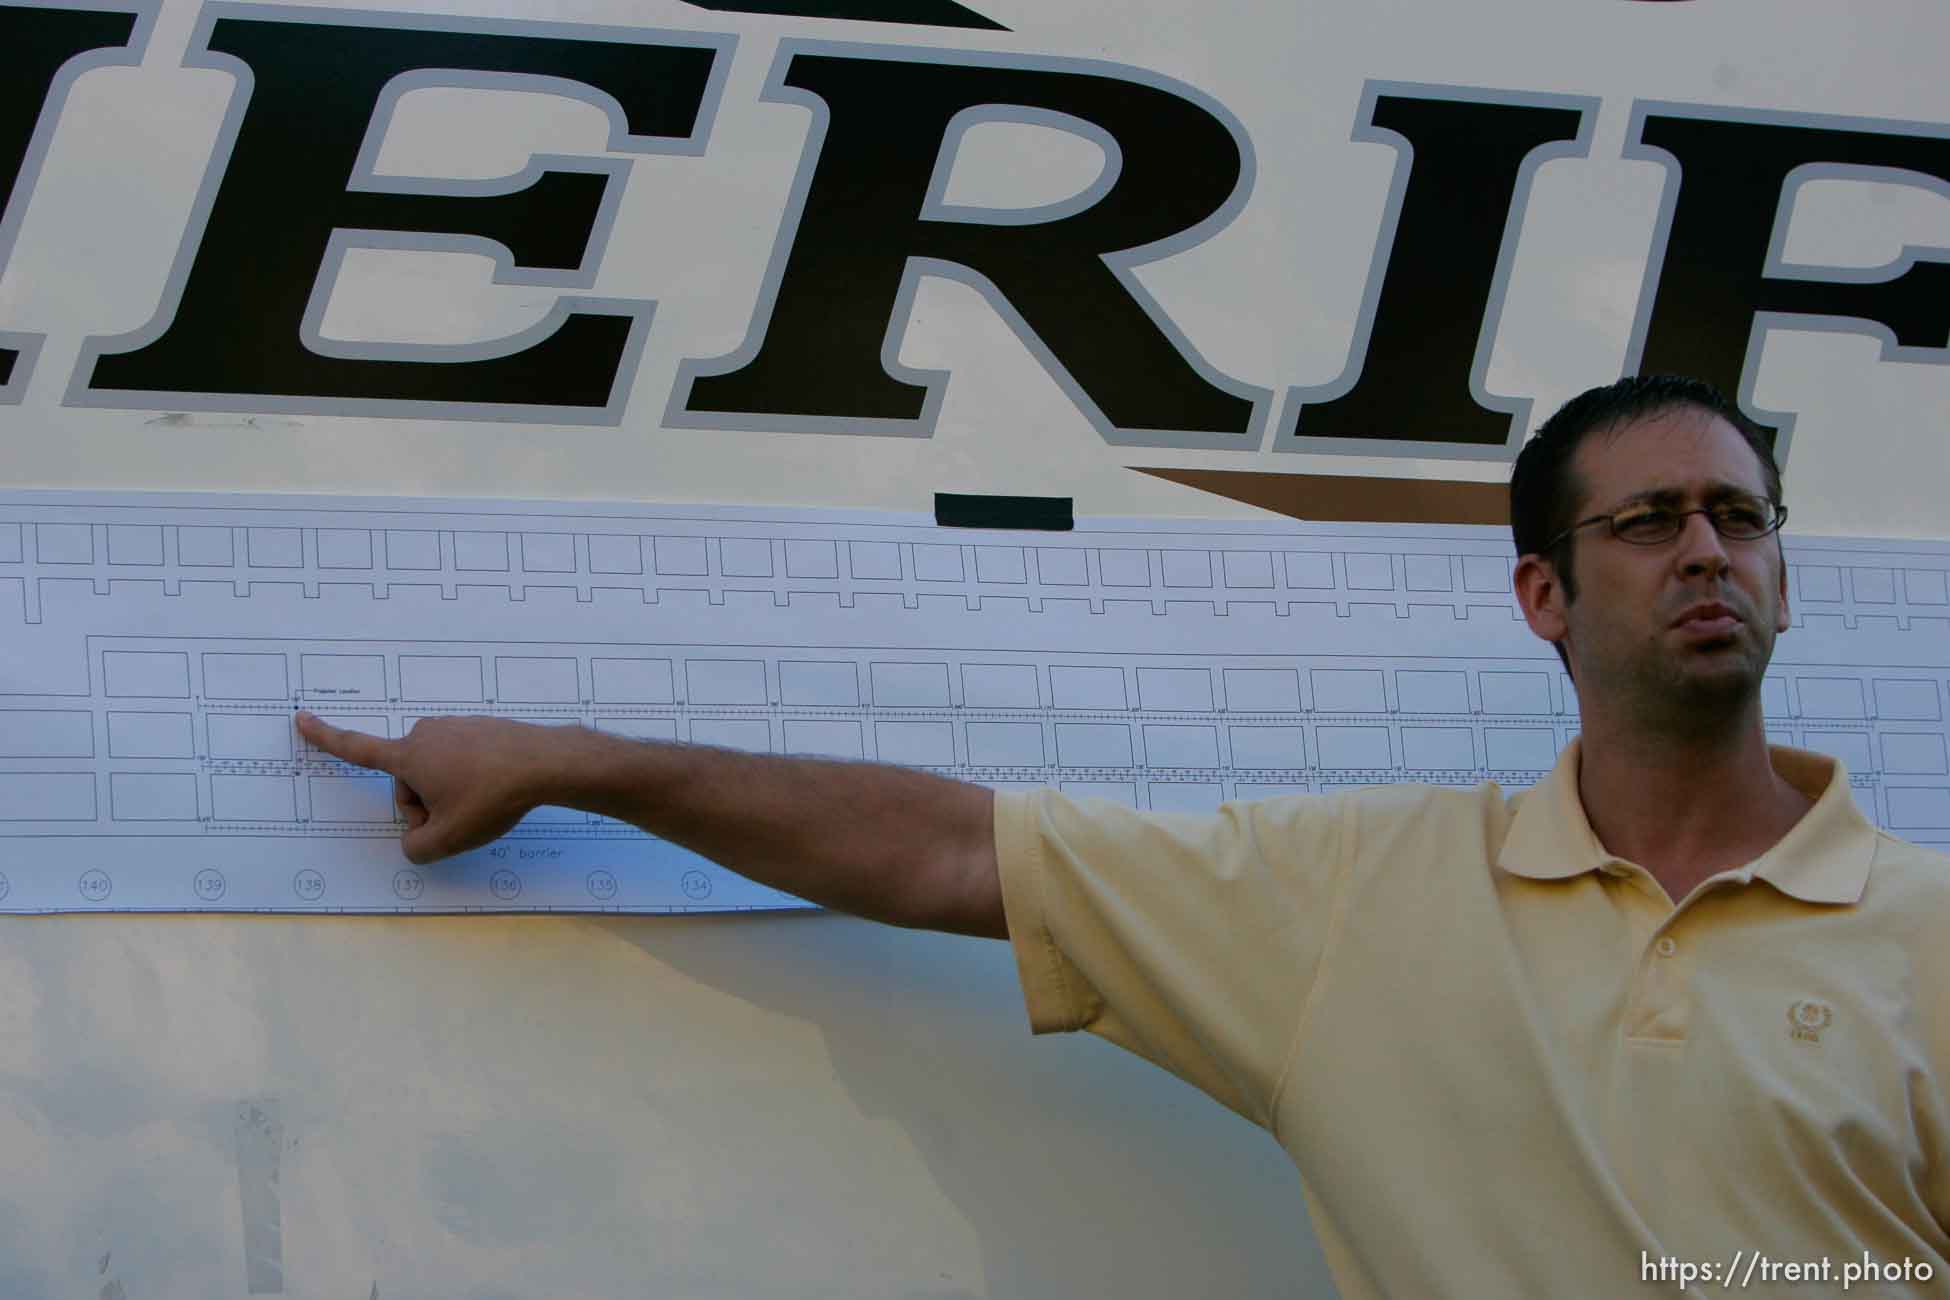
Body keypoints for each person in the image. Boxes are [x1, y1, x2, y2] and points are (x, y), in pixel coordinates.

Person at [298, 375, 1950, 1298]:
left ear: (1788, 579)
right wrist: (570, 759)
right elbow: (951, 854)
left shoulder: (1928, 930)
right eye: (1646, 521)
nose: (1704, 552)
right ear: (1543, 593)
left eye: (1737, 517)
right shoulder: (1355, 903)